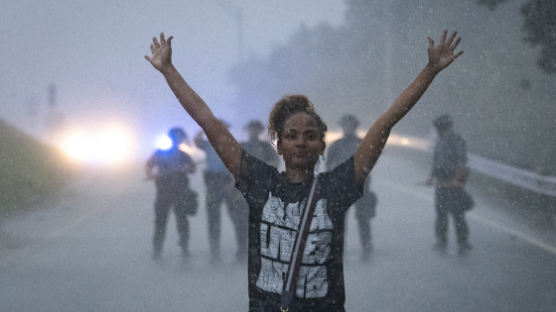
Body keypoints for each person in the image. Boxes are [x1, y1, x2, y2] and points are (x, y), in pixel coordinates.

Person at [145, 29, 463, 311]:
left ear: (322, 146)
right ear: (279, 146)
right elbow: (208, 122)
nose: (300, 143)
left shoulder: (337, 186)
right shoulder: (258, 181)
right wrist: (169, 71)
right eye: (291, 136)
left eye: (310, 136)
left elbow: (386, 121)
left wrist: (430, 71)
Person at [326, 114, 377, 261]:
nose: (347, 128)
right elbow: (329, 166)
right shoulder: (335, 145)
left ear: (354, 127)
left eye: (350, 125)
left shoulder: (364, 143)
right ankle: (338, 247)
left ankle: (366, 244)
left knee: (363, 217)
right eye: (345, 125)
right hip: (341, 188)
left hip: (361, 186)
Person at [146, 127, 197, 261]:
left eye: (179, 137)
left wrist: (187, 167)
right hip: (163, 193)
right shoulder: (160, 153)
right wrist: (150, 174)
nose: (177, 140)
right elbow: (149, 164)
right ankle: (157, 251)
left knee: (182, 221)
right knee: (161, 222)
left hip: (180, 192)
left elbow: (193, 169)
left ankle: (184, 249)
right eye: (175, 137)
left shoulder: (184, 155)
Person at [194, 127, 244, 263]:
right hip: (212, 184)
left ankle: (242, 252)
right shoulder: (208, 145)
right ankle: (215, 254)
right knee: (213, 218)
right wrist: (205, 127)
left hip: (229, 183)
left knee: (237, 218)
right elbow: (197, 140)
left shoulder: (233, 146)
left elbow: (239, 165)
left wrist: (234, 181)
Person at [426, 114, 473, 255]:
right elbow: (436, 161)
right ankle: (441, 240)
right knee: (441, 214)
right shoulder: (439, 141)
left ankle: (463, 242)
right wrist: (431, 177)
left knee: (458, 214)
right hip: (441, 184)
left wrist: (458, 181)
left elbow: (462, 162)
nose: (440, 131)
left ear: (448, 127)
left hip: (454, 185)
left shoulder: (457, 141)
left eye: (441, 128)